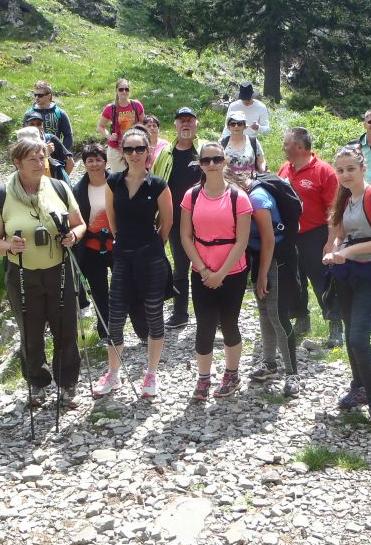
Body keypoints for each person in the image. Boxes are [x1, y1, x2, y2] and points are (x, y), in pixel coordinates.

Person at [0, 130, 86, 408]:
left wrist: (73, 236)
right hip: (21, 273)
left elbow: (80, 223)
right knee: (31, 331)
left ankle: (67, 385)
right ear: (17, 162)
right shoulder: (3, 194)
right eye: (32, 158)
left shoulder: (59, 188)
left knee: (66, 329)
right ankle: (37, 384)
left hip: (59, 269)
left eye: (42, 157)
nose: (40, 163)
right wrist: (8, 246)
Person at [322, 145, 371, 434]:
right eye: (340, 170)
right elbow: (341, 237)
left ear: (363, 168)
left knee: (357, 338)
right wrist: (335, 251)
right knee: (350, 330)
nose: (345, 174)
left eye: (350, 169)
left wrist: (350, 251)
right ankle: (359, 387)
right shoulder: (345, 199)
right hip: (346, 274)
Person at [93, 127, 173, 399]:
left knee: (153, 313)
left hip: (150, 257)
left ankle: (151, 373)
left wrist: (153, 245)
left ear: (148, 152)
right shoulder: (113, 182)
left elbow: (167, 222)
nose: (135, 154)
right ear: (123, 153)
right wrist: (121, 242)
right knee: (115, 317)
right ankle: (113, 374)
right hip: (122, 257)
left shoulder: (159, 185)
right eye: (129, 149)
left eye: (140, 149)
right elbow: (111, 217)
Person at [180, 145, 253, 401]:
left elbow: (241, 241)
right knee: (205, 324)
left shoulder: (238, 197)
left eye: (217, 159)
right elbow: (185, 236)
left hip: (232, 272)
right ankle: (203, 378)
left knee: (230, 322)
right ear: (200, 163)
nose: (212, 164)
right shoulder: (191, 196)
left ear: (224, 161)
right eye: (206, 159)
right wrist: (203, 269)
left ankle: (231, 374)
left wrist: (220, 273)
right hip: (201, 270)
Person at [232, 172, 302, 397]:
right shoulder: (244, 196)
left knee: (277, 315)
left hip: (277, 257)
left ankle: (292, 374)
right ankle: (269, 364)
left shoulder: (258, 199)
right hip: (260, 254)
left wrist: (262, 276)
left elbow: (269, 240)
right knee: (263, 310)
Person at [72, 142, 149, 344]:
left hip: (120, 246)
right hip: (91, 249)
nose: (95, 164)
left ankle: (144, 331)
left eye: (98, 159)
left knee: (129, 287)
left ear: (105, 161)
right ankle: (107, 333)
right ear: (84, 164)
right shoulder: (78, 190)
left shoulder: (116, 183)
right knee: (99, 292)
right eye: (90, 160)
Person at [277, 127, 342, 345]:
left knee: (322, 280)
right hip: (290, 235)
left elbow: (335, 209)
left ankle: (335, 326)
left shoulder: (324, 172)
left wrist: (331, 242)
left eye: (286, 144)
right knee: (294, 280)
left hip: (316, 235)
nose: (284, 148)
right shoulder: (285, 169)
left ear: (300, 147)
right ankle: (301, 319)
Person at [152, 107, 204, 329]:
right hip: (175, 219)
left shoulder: (205, 150)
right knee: (181, 267)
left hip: (204, 218)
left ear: (196, 124)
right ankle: (180, 313)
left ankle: (209, 312)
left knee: (207, 264)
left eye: (189, 121)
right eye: (181, 121)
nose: (185, 124)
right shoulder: (165, 154)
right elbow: (155, 183)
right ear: (175, 125)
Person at [97, 78, 144, 173]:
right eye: (121, 89)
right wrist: (109, 136)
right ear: (116, 91)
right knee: (120, 179)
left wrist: (137, 129)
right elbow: (100, 127)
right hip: (116, 149)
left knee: (135, 175)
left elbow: (143, 123)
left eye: (126, 89)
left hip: (134, 147)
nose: (124, 92)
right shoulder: (110, 108)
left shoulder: (136, 105)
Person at [24, 110, 74, 182]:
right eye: (32, 124)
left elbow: (70, 162)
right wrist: (45, 153)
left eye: (38, 124)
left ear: (42, 125)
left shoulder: (51, 139)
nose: (35, 127)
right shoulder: (23, 144)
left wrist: (62, 183)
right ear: (26, 125)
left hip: (52, 183)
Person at [30, 80, 74, 151]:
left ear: (49, 96)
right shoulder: (29, 114)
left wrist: (62, 152)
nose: (37, 98)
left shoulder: (59, 113)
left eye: (40, 95)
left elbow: (68, 136)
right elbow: (25, 136)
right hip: (36, 155)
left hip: (55, 154)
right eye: (35, 95)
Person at [221, 110, 266, 174]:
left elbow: (261, 161)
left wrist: (263, 172)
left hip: (250, 180)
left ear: (244, 126)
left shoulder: (253, 141)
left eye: (239, 124)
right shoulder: (222, 142)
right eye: (233, 124)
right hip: (228, 180)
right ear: (229, 127)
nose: (236, 126)